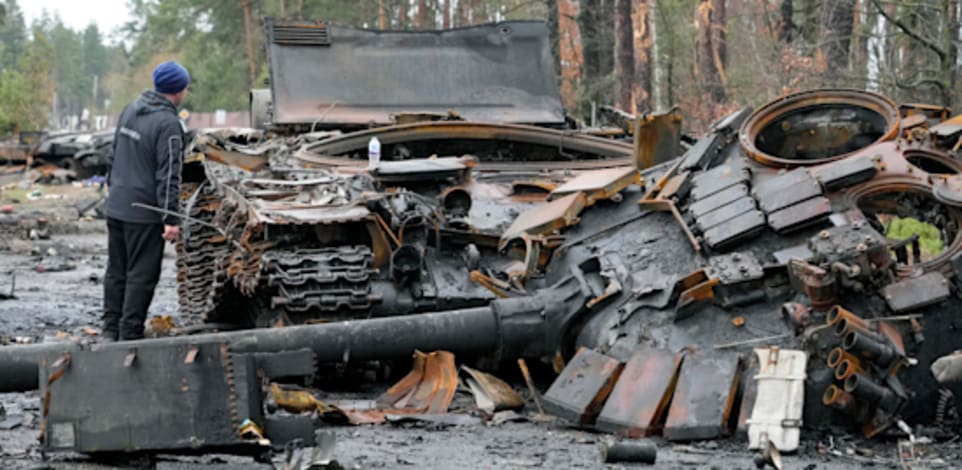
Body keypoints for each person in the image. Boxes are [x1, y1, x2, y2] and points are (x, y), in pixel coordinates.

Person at [102, 61, 189, 341]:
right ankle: (129, 336)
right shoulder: (169, 124)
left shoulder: (130, 109)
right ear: (178, 90)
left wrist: (112, 190)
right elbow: (170, 174)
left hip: (116, 206)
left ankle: (110, 330)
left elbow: (112, 155)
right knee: (141, 275)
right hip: (144, 214)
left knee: (116, 270)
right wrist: (171, 218)